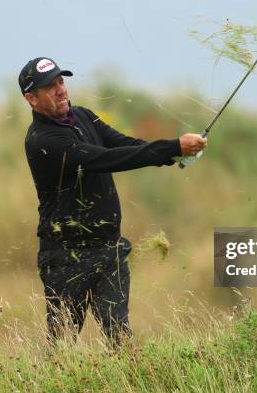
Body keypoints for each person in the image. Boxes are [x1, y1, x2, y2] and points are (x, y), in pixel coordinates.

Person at [19, 57, 206, 346]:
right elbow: (107, 159)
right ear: (32, 98)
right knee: (61, 347)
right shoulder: (43, 141)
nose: (60, 89)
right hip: (67, 258)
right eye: (49, 87)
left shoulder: (83, 116)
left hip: (108, 251)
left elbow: (125, 145)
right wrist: (173, 147)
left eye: (60, 81)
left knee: (121, 339)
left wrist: (174, 154)